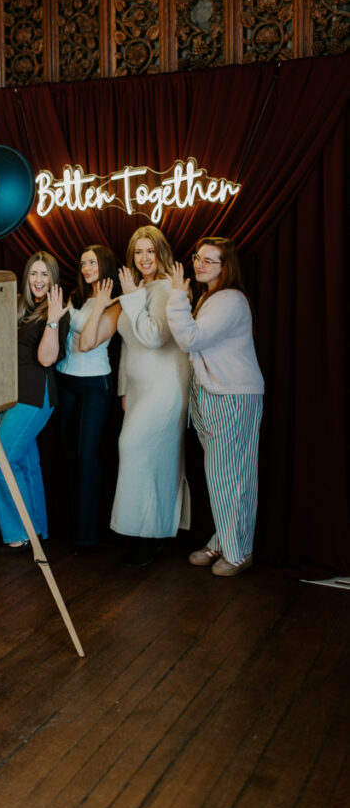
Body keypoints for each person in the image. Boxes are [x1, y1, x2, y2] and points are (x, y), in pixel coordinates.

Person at [79, 226, 190, 566]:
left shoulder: (168, 288)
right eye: (138, 252)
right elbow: (128, 343)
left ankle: (152, 533)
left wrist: (132, 298)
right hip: (139, 390)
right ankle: (142, 531)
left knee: (142, 452)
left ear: (161, 253)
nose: (144, 258)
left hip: (165, 387)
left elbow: (154, 336)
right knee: (143, 457)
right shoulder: (137, 290)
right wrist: (124, 389)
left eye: (150, 251)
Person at [166, 237, 264, 577]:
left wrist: (177, 296)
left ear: (226, 267)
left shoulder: (229, 299)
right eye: (198, 257)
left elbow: (190, 339)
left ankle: (237, 552)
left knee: (228, 477)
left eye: (209, 260)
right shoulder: (212, 297)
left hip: (231, 395)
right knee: (227, 475)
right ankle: (224, 540)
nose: (200, 264)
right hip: (216, 393)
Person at [0, 252, 69, 549]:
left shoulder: (57, 311)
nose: (38, 280)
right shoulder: (20, 305)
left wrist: (53, 321)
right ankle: (35, 531)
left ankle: (18, 533)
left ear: (53, 278)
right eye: (34, 273)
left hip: (35, 396)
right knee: (24, 462)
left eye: (44, 274)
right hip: (10, 394)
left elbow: (46, 359)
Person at [56, 244, 119, 552]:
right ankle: (70, 526)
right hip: (65, 379)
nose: (86, 268)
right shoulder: (76, 296)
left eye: (92, 262)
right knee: (68, 454)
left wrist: (100, 305)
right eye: (83, 263)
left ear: (104, 265)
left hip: (94, 383)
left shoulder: (115, 303)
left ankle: (87, 535)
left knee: (87, 457)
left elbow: (87, 344)